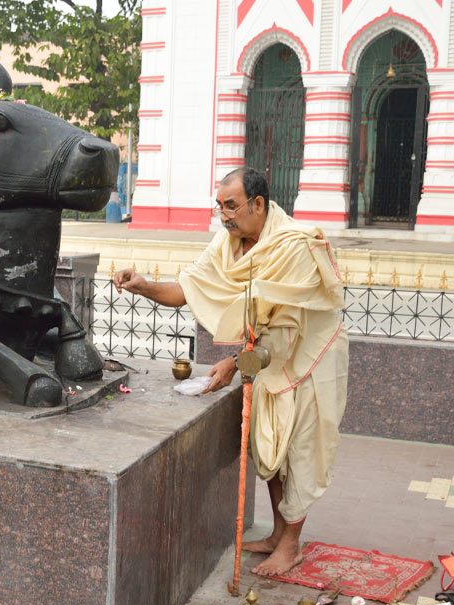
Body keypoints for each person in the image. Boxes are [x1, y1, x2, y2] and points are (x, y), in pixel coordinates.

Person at [114, 167, 348, 576]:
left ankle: (290, 546)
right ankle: (278, 534)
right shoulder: (228, 243)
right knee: (269, 443)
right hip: (265, 358)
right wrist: (144, 286)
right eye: (220, 207)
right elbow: (188, 288)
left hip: (309, 357)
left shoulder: (294, 245)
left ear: (258, 204)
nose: (224, 216)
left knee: (300, 449)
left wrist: (235, 363)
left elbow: (285, 328)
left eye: (231, 206)